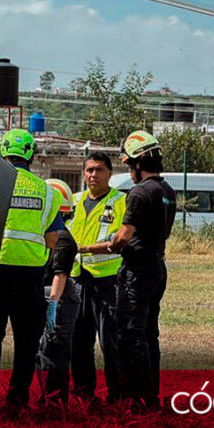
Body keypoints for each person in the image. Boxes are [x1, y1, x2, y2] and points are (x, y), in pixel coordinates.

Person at [0, 129, 65, 413]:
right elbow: (52, 239)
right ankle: (18, 400)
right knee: (26, 341)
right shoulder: (47, 191)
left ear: (2, 154)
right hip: (31, 277)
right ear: (31, 156)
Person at [86, 130, 176, 410]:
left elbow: (123, 237)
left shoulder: (139, 193)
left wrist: (90, 248)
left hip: (136, 271)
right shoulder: (167, 191)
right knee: (149, 334)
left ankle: (136, 399)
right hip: (157, 267)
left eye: (129, 165)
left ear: (138, 163)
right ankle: (150, 395)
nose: (129, 170)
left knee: (129, 334)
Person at [69, 152, 127, 404]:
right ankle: (84, 395)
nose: (93, 175)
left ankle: (118, 395)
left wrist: (86, 249)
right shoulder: (74, 200)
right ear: (83, 173)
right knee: (78, 341)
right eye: (89, 169)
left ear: (110, 174)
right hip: (77, 279)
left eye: (100, 170)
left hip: (108, 279)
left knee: (110, 342)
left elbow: (119, 242)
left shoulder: (121, 201)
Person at [37, 179, 79, 408]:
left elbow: (60, 275)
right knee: (44, 350)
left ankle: (55, 402)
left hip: (59, 296)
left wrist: (53, 305)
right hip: (53, 294)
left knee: (55, 348)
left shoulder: (62, 238)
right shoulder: (53, 233)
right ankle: (48, 398)